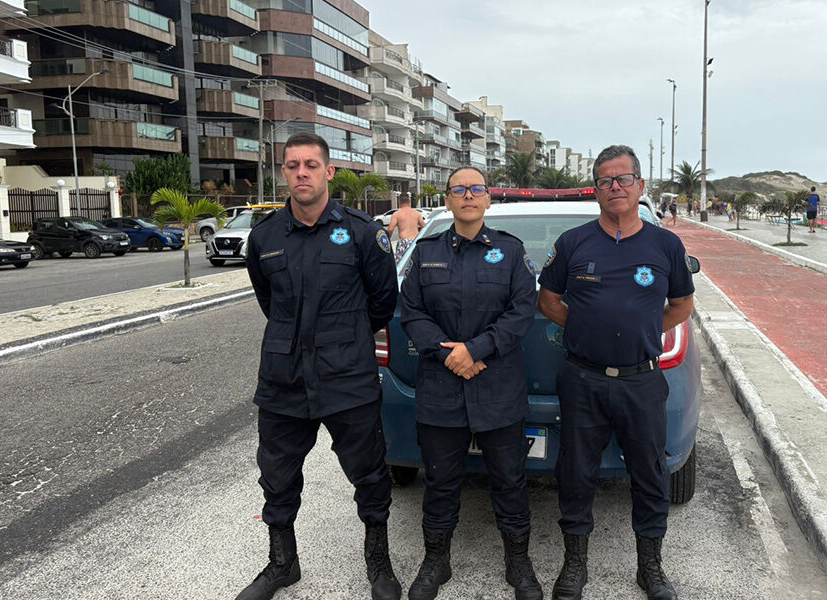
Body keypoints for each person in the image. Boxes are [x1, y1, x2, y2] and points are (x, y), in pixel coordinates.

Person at [238, 132, 401, 600]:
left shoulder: (363, 232)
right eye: (293, 165)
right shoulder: (265, 236)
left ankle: (379, 563)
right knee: (277, 474)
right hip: (283, 379)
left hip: (347, 377)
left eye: (311, 164)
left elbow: (382, 303)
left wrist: (341, 339)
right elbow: (270, 301)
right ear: (283, 173)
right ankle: (282, 563)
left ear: (329, 171)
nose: (302, 172)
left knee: (369, 473)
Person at [537, 145, 695, 600]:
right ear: (597, 190)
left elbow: (682, 306)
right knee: (575, 471)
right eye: (606, 180)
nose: (615, 187)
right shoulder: (574, 243)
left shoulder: (666, 244)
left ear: (640, 186)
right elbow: (548, 300)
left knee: (648, 473)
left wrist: (643, 328)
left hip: (642, 381)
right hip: (583, 379)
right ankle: (574, 566)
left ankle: (651, 567)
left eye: (623, 179)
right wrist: (586, 327)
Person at [400, 166, 541, 600]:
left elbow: (521, 312)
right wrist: (450, 355)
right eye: (458, 189)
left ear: (487, 200)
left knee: (510, 480)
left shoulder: (511, 252)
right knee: (440, 481)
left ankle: (518, 563)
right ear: (447, 200)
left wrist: (475, 350)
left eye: (475, 189)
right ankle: (435, 562)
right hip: (442, 387)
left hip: (497, 385)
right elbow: (412, 313)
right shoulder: (426, 253)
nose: (467, 195)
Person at [388, 194, 426, 263]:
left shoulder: (397, 214)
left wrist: (388, 238)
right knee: (415, 264)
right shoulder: (416, 213)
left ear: (399, 202)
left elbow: (390, 228)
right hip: (415, 241)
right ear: (409, 202)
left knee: (400, 265)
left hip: (403, 242)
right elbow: (424, 226)